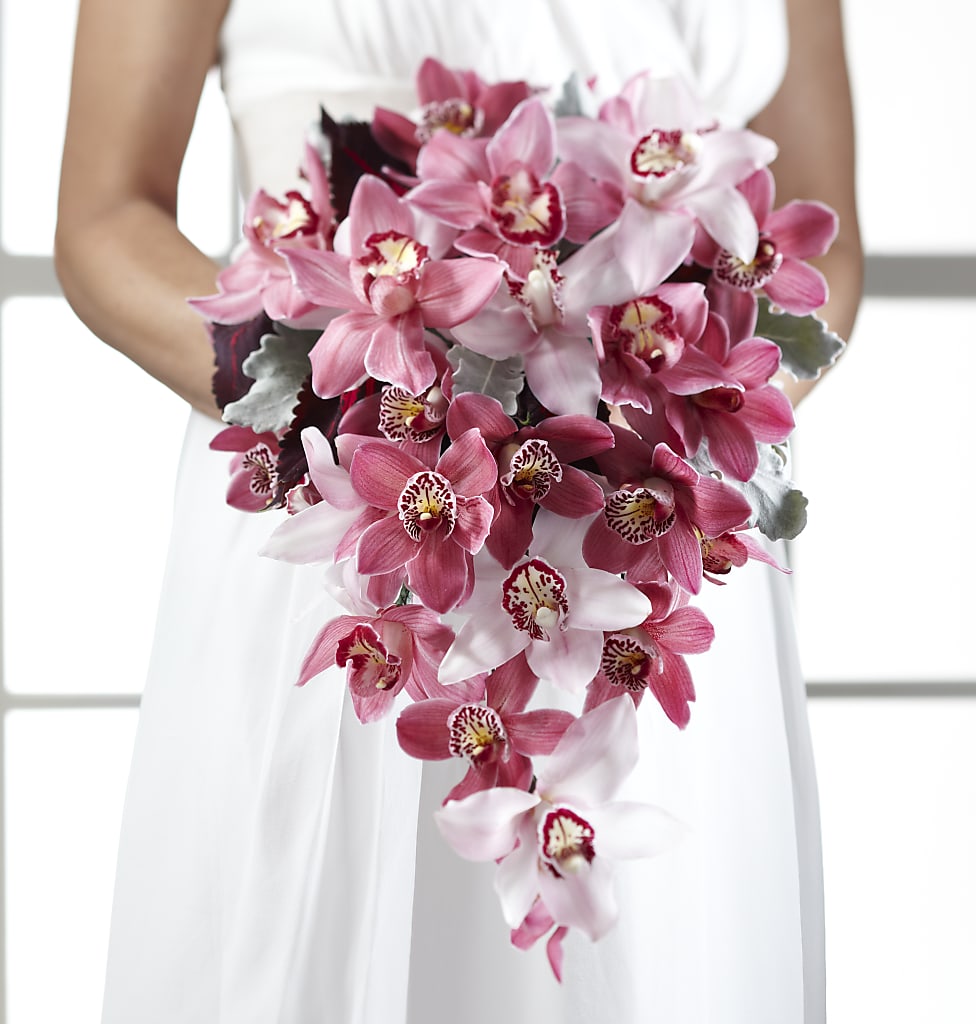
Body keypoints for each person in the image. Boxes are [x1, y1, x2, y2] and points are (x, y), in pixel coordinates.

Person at [55, 0, 863, 1021]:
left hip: (650, 529)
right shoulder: (355, 434)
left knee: (660, 959)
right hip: (359, 515)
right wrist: (351, 406)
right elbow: (102, 219)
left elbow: (822, 242)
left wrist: (673, 401)